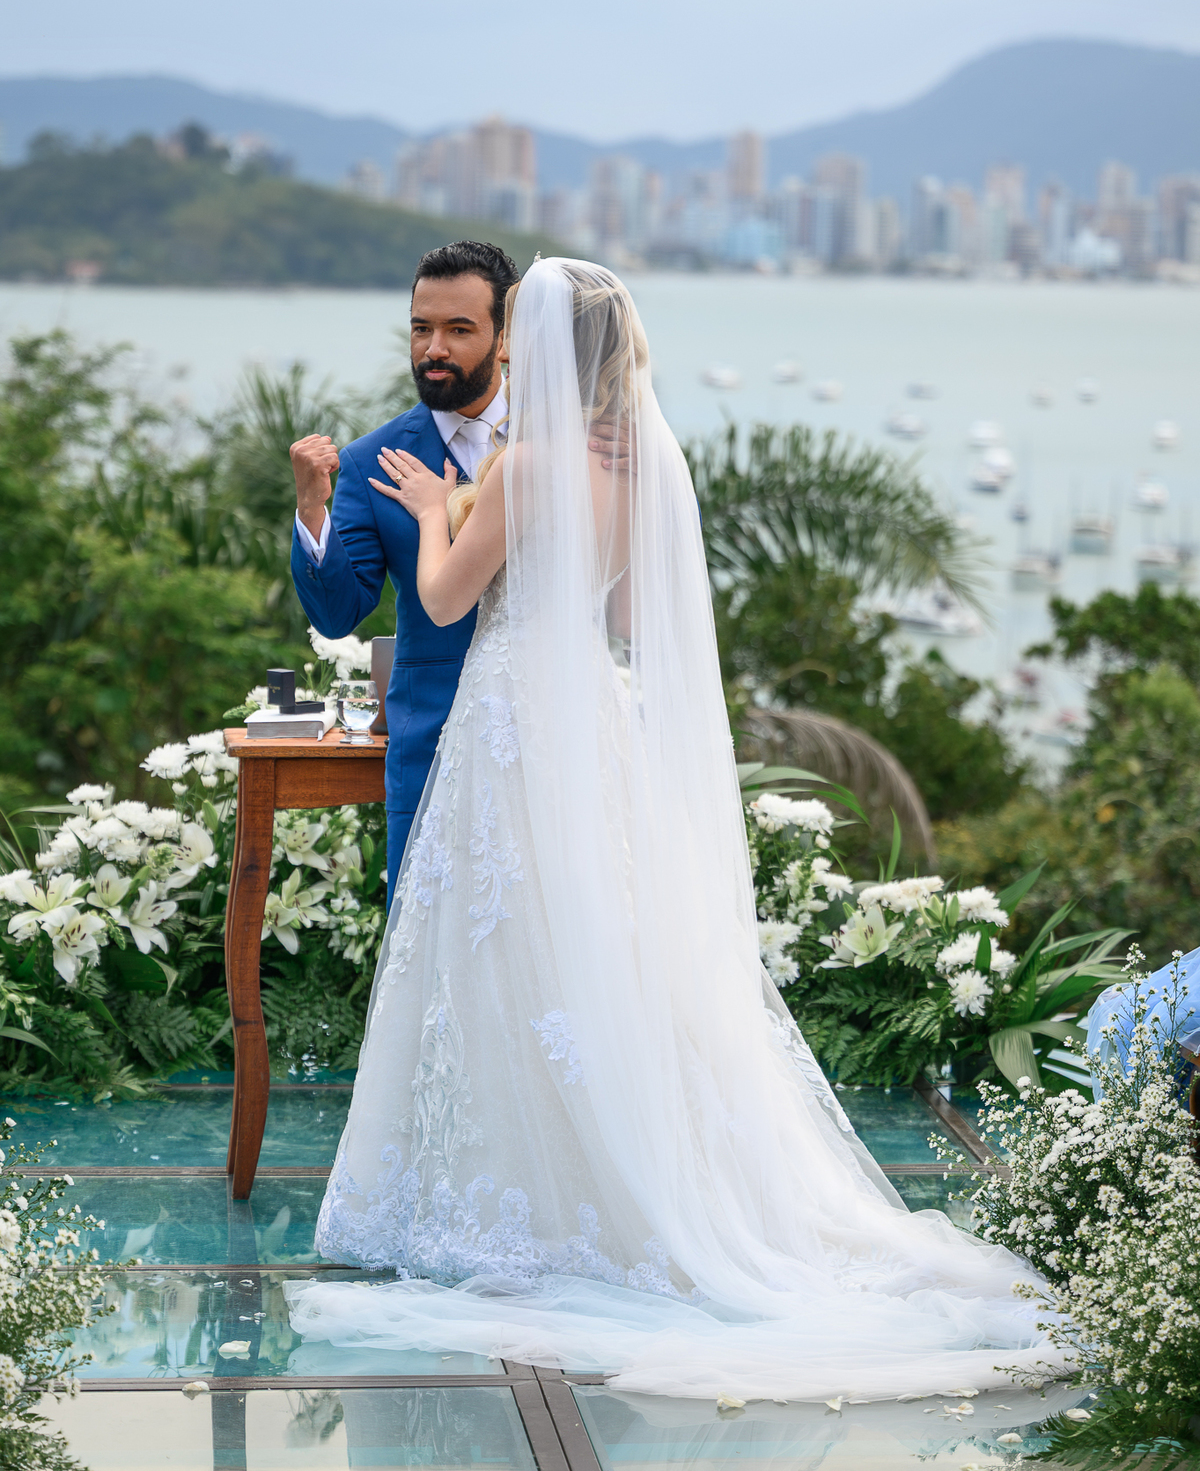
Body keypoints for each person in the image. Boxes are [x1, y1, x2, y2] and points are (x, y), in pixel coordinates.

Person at [286, 259, 1063, 1402]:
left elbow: (445, 599)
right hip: (591, 719)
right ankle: (601, 1181)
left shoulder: (524, 465)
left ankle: (524, 1196)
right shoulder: (637, 466)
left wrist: (435, 513)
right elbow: (625, 616)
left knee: (502, 958)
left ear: (539, 348)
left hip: (510, 722)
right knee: (599, 950)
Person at [290, 240, 519, 905]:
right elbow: (338, 613)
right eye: (421, 328)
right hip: (431, 745)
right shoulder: (372, 460)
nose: (433, 349)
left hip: (551, 733)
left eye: (459, 330)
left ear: (505, 338)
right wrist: (311, 508)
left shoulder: (565, 441)